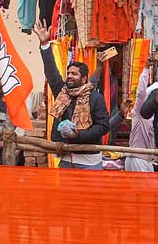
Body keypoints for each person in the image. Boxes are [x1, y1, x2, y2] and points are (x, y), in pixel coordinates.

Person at [34, 20, 109, 169]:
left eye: (74, 74)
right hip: (66, 157)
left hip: (89, 161)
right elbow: (51, 71)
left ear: (84, 79)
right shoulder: (62, 92)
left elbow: (103, 126)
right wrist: (44, 45)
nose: (69, 76)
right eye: (68, 73)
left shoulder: (95, 98)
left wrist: (78, 135)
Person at [122, 58, 157, 172]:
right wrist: (146, 69)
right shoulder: (140, 111)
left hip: (144, 159)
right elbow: (141, 93)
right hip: (138, 160)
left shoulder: (154, 114)